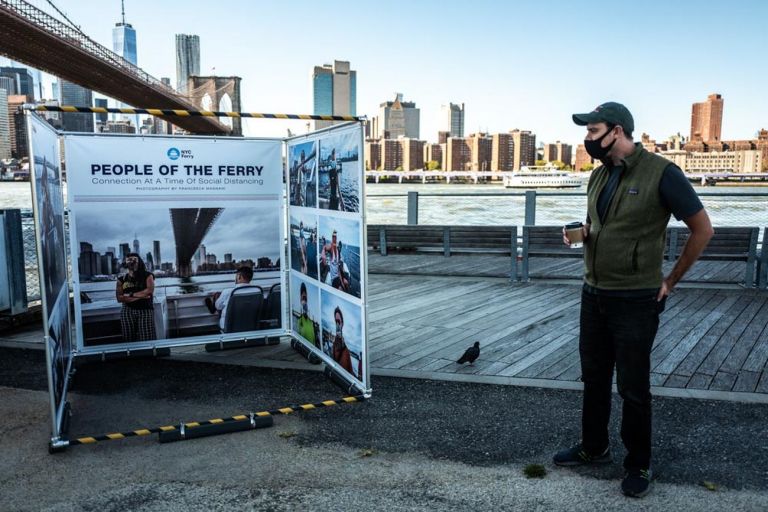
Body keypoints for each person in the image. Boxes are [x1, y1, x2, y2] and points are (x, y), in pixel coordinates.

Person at [553, 102, 713, 498]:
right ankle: (594, 447)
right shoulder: (599, 176)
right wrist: (583, 233)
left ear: (618, 132)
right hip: (594, 293)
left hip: (635, 299)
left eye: (593, 132)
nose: (587, 139)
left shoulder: (662, 173)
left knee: (633, 386)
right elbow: (603, 225)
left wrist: (670, 282)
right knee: (593, 378)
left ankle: (639, 463)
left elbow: (702, 229)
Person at [116, 253, 157, 342]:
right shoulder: (121, 279)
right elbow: (119, 298)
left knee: (147, 337)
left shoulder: (148, 275)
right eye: (129, 260)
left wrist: (129, 295)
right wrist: (142, 295)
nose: (132, 262)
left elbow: (149, 291)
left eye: (134, 259)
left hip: (145, 310)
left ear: (139, 261)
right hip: (127, 310)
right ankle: (130, 355)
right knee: (128, 338)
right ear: (125, 263)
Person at [205, 266, 255, 331]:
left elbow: (218, 307)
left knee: (219, 300)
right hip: (250, 325)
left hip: (229, 326)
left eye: (236, 276)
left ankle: (212, 307)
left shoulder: (228, 292)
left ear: (239, 276)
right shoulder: (257, 291)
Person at [331, 306, 353, 374]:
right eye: (336, 321)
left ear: (342, 324)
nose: (337, 324)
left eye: (339, 321)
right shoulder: (334, 345)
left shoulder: (346, 351)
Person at [296, 282, 317, 347]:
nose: (304, 295)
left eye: (305, 297)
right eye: (302, 298)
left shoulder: (311, 321)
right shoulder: (300, 320)